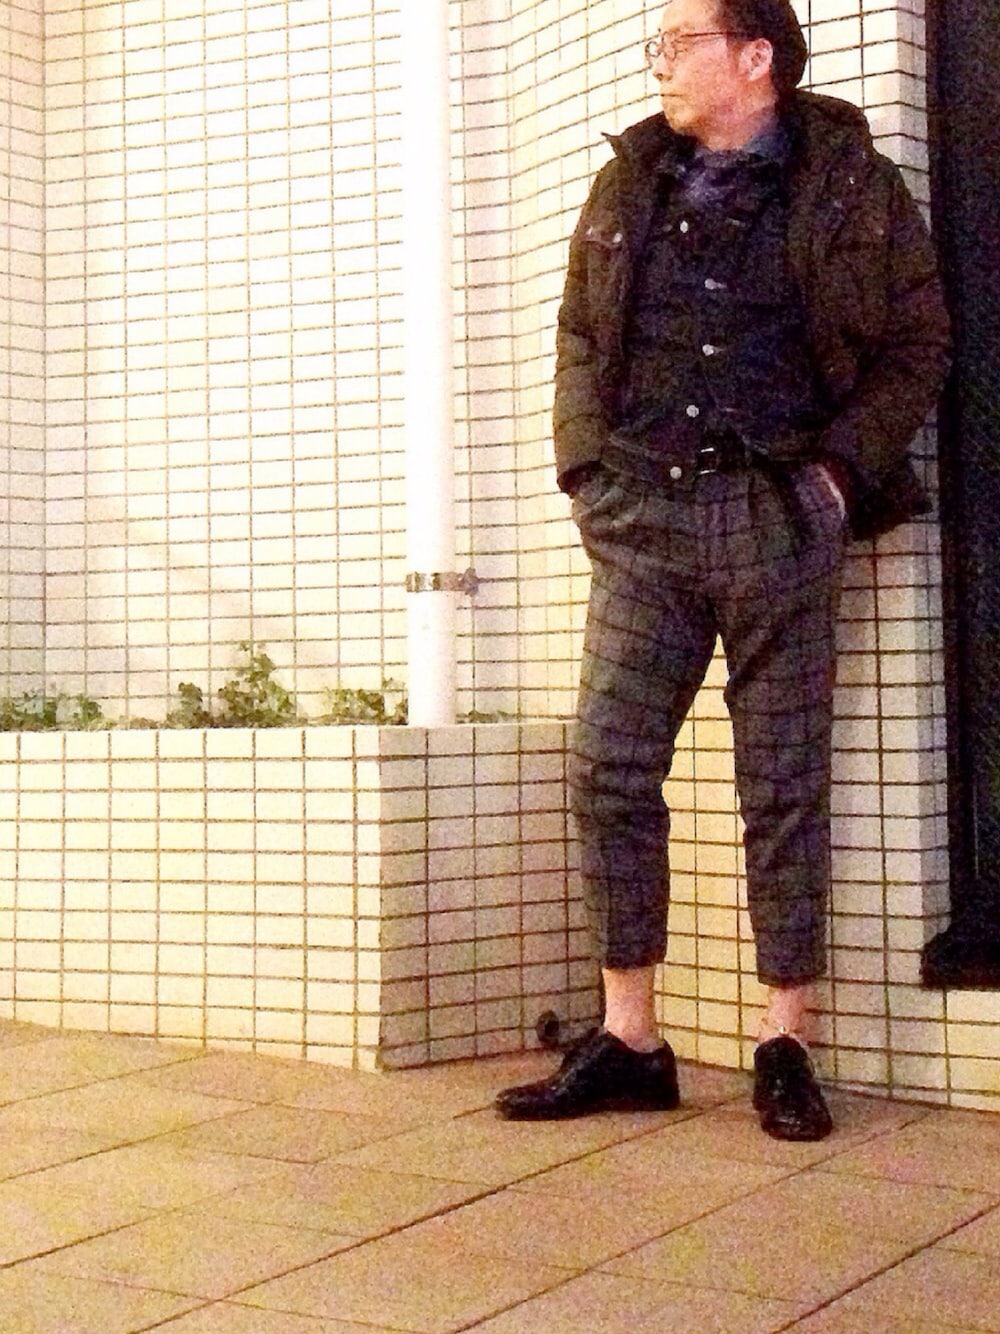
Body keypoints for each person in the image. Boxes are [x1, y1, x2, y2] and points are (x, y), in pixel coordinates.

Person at [496, 0, 949, 1139]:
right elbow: (579, 333)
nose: (659, 62)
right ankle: (631, 1039)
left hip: (777, 509)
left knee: (781, 782)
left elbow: (919, 340)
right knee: (607, 765)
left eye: (680, 41)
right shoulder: (630, 179)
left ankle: (785, 1041)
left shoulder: (849, 184)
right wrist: (585, 472)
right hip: (641, 513)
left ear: (755, 57)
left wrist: (834, 478)